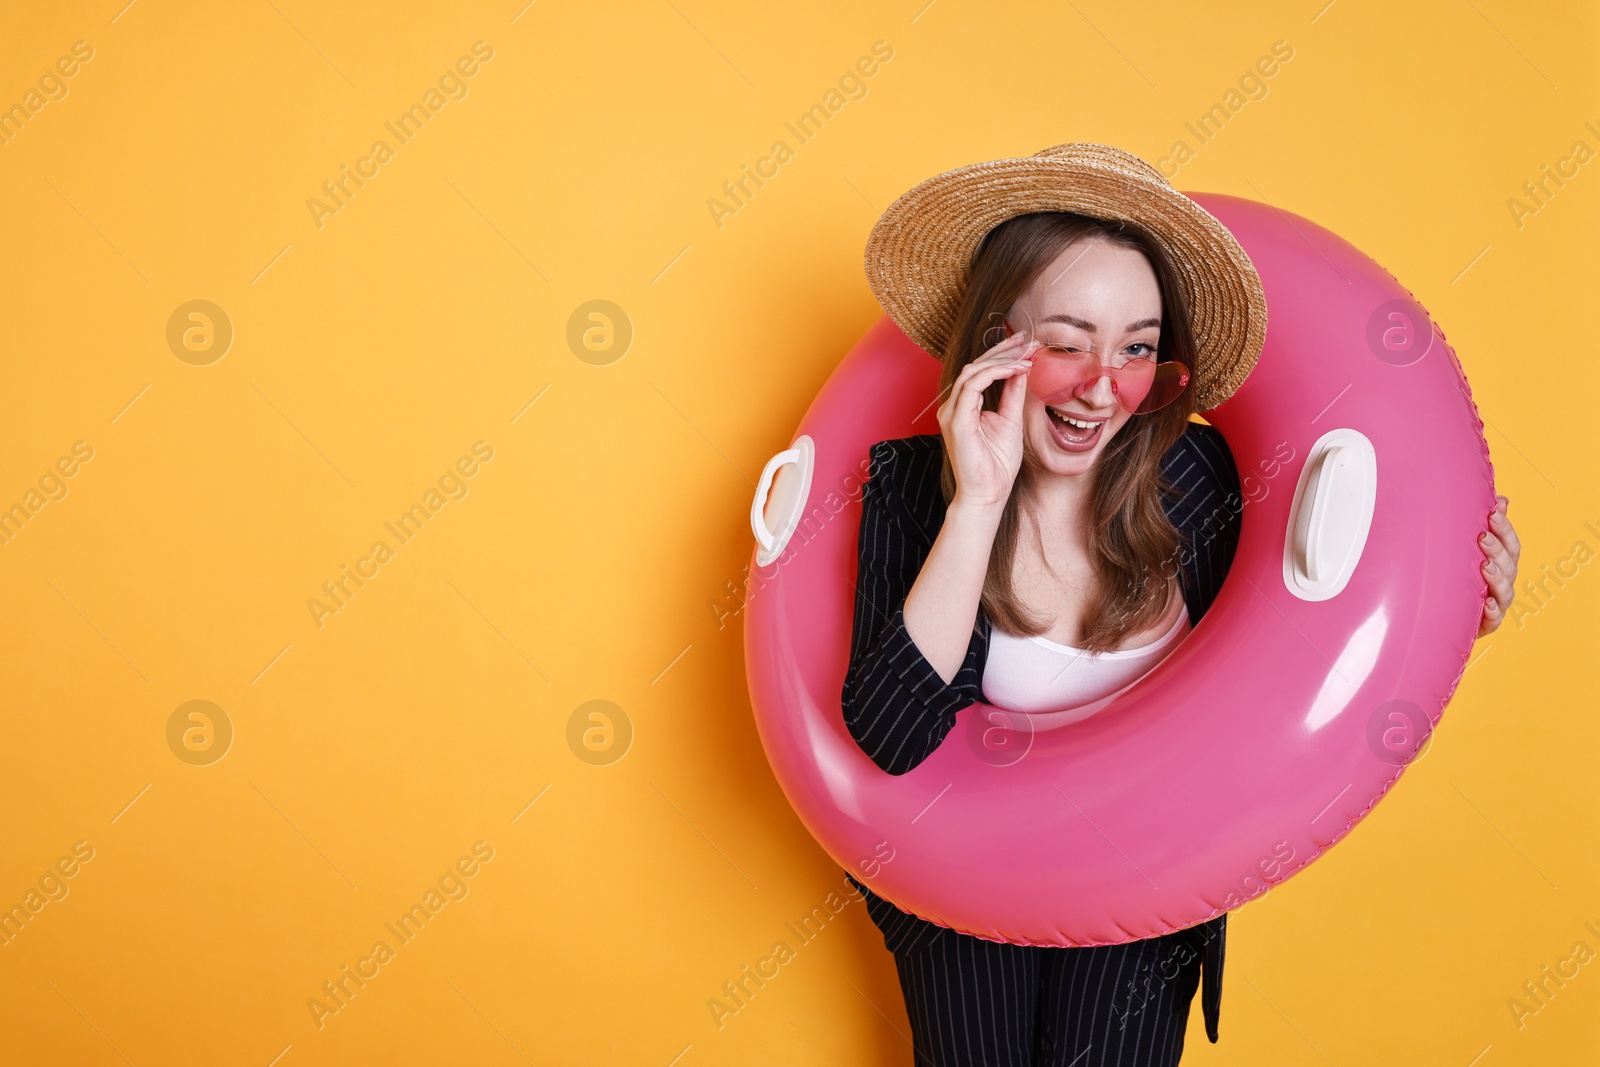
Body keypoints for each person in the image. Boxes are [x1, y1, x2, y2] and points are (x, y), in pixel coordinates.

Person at [838, 143, 1521, 1067]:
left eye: (1137, 349)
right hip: (962, 901)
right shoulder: (914, 486)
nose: (1101, 385)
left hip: (1147, 893)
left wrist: (1450, 605)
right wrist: (979, 501)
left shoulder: (1207, 481)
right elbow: (889, 736)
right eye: (1068, 341)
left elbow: (1326, 640)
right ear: (1000, 339)